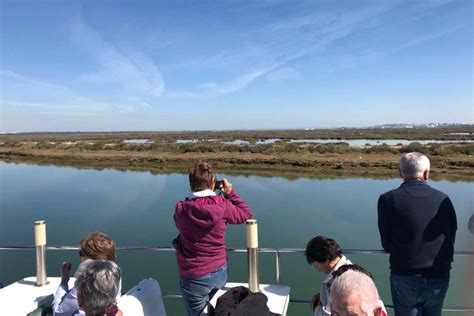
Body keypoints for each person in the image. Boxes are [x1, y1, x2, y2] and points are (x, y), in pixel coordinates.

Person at [378, 152, 457, 316]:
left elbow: (386, 243)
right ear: (427, 173)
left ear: (400, 172)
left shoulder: (387, 199)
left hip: (404, 276)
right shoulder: (444, 199)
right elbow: (451, 235)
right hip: (439, 276)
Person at [174, 162, 253, 315]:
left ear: (191, 183)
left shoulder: (181, 209)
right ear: (212, 184)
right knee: (221, 311)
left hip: (193, 275)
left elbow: (182, 222)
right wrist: (230, 193)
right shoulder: (223, 206)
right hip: (219, 270)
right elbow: (246, 214)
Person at [53, 232, 120, 315]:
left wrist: (64, 282)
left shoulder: (84, 285)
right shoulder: (115, 276)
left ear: (89, 260)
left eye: (81, 253)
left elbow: (58, 313)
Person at [304, 236, 352, 316]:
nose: (318, 270)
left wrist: (315, 306)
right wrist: (321, 295)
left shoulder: (339, 282)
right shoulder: (351, 269)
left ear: (326, 260)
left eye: (316, 266)